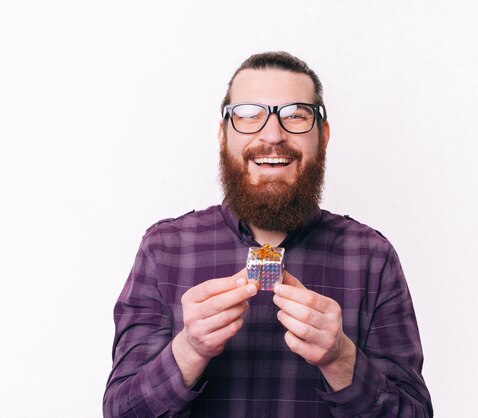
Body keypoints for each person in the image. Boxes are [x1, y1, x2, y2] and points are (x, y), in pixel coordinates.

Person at [103, 51, 433, 418]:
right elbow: (120, 412)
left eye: (295, 115)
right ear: (223, 134)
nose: (273, 134)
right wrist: (190, 349)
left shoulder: (372, 257)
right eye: (248, 115)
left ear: (322, 136)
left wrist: (341, 359)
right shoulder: (163, 251)